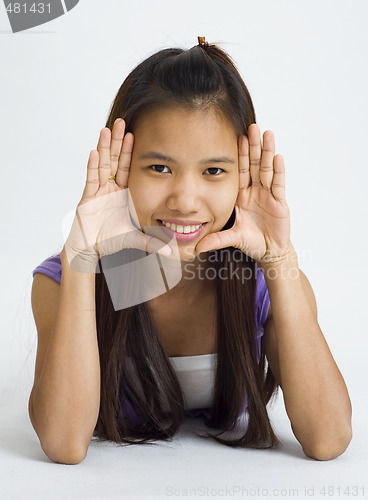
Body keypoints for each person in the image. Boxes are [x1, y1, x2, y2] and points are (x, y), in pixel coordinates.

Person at [29, 37, 352, 465]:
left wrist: (279, 257)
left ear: (244, 174)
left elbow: (328, 438)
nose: (185, 199)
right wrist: (82, 260)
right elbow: (64, 444)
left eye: (214, 170)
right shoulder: (67, 279)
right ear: (121, 169)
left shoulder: (261, 283)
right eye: (159, 168)